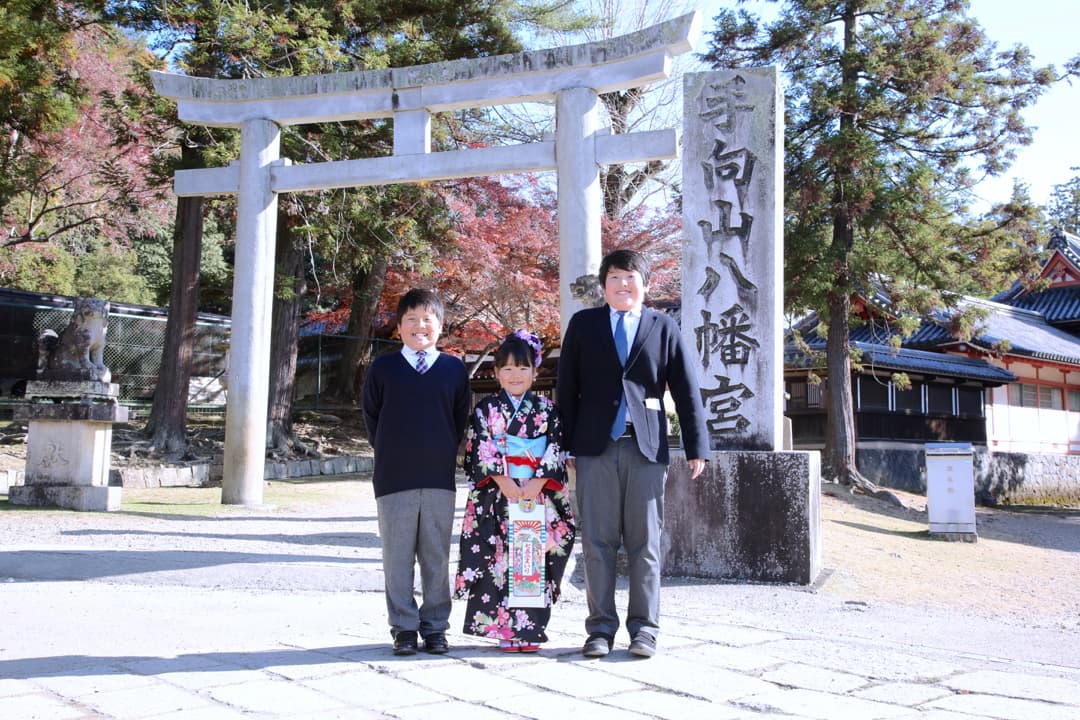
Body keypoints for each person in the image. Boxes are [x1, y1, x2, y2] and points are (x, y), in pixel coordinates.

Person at [557, 249, 709, 659]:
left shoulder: (663, 326)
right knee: (597, 541)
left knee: (646, 543)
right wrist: (565, 443)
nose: (623, 286)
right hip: (594, 448)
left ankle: (644, 630)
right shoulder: (584, 324)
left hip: (646, 447)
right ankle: (600, 630)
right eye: (615, 278)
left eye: (631, 278)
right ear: (604, 285)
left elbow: (686, 388)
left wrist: (697, 446)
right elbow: (566, 388)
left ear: (645, 284)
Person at [361, 288, 472, 656]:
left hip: (438, 477)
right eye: (410, 319)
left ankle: (436, 627)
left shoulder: (454, 368)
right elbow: (372, 418)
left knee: (437, 556)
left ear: (440, 325)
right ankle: (404, 628)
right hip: (394, 477)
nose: (419, 326)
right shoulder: (383, 367)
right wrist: (394, 452)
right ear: (399, 326)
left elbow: (459, 419)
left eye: (427, 318)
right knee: (397, 557)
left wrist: (438, 452)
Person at [454, 330, 576, 653]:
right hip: (499, 495)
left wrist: (536, 483)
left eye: (523, 369)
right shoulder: (486, 410)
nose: (515, 375)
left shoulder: (547, 410)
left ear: (535, 372)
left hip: (536, 494)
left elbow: (555, 448)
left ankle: (531, 629)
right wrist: (503, 481)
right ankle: (505, 630)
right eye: (507, 369)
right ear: (495, 374)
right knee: (500, 560)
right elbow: (478, 446)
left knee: (532, 559)